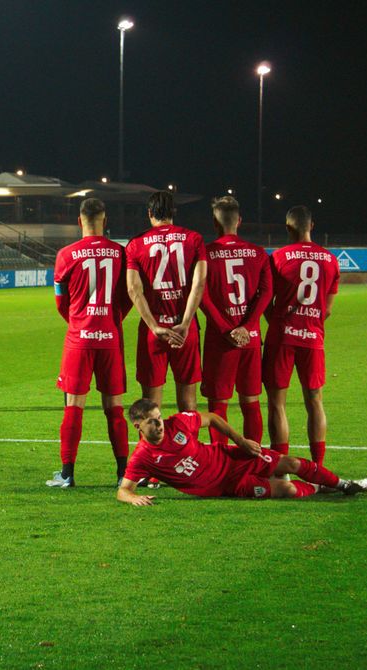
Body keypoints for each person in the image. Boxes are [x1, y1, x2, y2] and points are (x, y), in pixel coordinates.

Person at [116, 398, 367, 505]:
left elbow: (213, 418)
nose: (159, 424)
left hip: (232, 458)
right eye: (152, 421)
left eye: (159, 417)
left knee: (292, 464)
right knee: (288, 490)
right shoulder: (143, 457)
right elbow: (123, 490)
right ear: (138, 426)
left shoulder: (179, 423)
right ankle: (321, 488)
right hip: (228, 486)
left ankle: (345, 484)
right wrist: (133, 498)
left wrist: (239, 441)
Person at [46, 198, 132, 488]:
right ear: (105, 222)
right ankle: (124, 473)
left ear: (79, 221)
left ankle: (67, 474)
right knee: (115, 408)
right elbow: (128, 297)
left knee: (74, 406)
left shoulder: (65, 255)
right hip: (110, 338)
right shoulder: (120, 253)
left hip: (78, 339)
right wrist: (110, 320)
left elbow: (61, 303)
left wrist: (79, 322)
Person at [263, 206, 340, 464]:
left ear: (288, 227)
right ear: (312, 226)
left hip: (281, 337)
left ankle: (281, 468)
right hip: (313, 338)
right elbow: (326, 310)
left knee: (276, 404)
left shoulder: (278, 258)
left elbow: (265, 299)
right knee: (315, 401)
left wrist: (276, 321)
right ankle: (318, 466)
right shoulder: (330, 260)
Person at [125, 190, 207, 412]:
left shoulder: (136, 244)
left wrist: (154, 326)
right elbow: (199, 284)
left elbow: (133, 288)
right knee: (189, 404)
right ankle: (187, 447)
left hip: (153, 332)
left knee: (150, 405)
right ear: (173, 212)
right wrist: (186, 323)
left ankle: (152, 448)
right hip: (185, 331)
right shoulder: (194, 239)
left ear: (150, 213)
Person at [199, 196, 272, 446]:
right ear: (239, 221)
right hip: (249, 340)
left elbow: (202, 296)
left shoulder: (206, 254)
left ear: (214, 223)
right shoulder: (258, 253)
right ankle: (255, 461)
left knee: (218, 406)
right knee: (250, 402)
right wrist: (249, 327)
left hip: (220, 341)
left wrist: (225, 329)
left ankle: (220, 460)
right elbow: (266, 293)